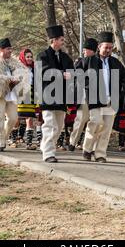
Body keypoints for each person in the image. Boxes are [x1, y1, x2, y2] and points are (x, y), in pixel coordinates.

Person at [79, 31, 125, 163]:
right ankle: (87, 149)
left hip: (111, 100)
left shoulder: (115, 62)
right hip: (94, 99)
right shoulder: (89, 61)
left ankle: (100, 154)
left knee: (106, 128)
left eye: (110, 48)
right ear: (99, 47)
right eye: (106, 47)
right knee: (94, 123)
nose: (108, 50)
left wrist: (122, 88)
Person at [0, 38, 30, 151]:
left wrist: (18, 79)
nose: (10, 51)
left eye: (11, 48)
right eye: (8, 49)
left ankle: (3, 138)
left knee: (13, 118)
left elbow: (24, 74)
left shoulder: (15, 62)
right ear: (1, 49)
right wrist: (7, 80)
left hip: (11, 94)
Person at [37, 25, 75, 163]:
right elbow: (42, 72)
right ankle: (48, 153)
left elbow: (72, 73)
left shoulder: (66, 57)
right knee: (50, 125)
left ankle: (44, 145)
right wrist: (61, 74)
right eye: (61, 39)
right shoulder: (42, 56)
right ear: (53, 40)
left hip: (62, 97)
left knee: (58, 128)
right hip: (48, 95)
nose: (63, 41)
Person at [67, 38, 97, 152]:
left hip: (96, 96)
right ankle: (72, 142)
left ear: (92, 50)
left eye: (86, 49)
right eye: (83, 49)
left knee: (94, 122)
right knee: (80, 120)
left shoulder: (98, 62)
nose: (84, 51)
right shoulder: (80, 61)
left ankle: (90, 146)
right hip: (84, 95)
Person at [16, 48, 40, 150]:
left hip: (31, 94)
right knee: (17, 118)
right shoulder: (17, 67)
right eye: (27, 57)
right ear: (23, 57)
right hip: (20, 94)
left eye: (31, 56)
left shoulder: (35, 68)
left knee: (29, 118)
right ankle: (13, 140)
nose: (30, 58)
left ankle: (29, 143)